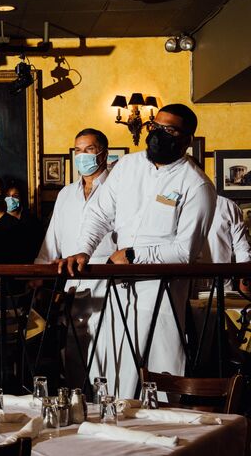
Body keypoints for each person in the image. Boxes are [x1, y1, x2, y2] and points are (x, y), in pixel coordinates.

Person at [59, 104, 217, 398]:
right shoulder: (128, 167)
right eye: (155, 126)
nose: (158, 134)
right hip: (119, 288)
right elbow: (99, 214)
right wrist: (83, 249)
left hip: (162, 290)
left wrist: (133, 255)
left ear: (187, 139)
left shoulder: (197, 185)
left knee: (161, 369)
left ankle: (162, 433)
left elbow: (185, 250)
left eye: (169, 130)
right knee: (114, 366)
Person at [35, 129, 116, 385]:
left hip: (108, 279)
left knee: (109, 348)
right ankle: (80, 404)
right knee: (75, 350)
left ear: (103, 153)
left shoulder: (116, 189)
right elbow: (52, 241)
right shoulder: (66, 194)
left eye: (89, 149)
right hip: (73, 281)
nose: (82, 155)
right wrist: (37, 274)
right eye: (78, 150)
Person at [5, 179, 43, 260]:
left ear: (21, 198)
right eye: (7, 195)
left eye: (15, 196)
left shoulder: (32, 220)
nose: (10, 199)